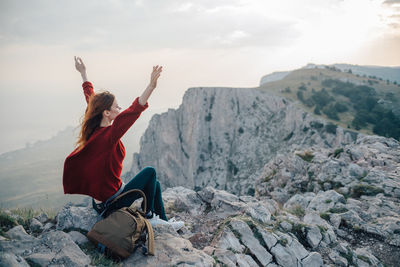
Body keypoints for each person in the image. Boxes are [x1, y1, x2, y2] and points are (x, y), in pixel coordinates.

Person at [62, 56, 183, 231]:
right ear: (106, 113)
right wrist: (151, 86)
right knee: (150, 172)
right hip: (112, 203)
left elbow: (91, 99)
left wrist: (83, 73)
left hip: (103, 201)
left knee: (154, 184)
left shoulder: (95, 127)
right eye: (117, 107)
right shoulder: (109, 136)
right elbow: (134, 111)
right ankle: (150, 217)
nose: (120, 109)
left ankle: (163, 221)